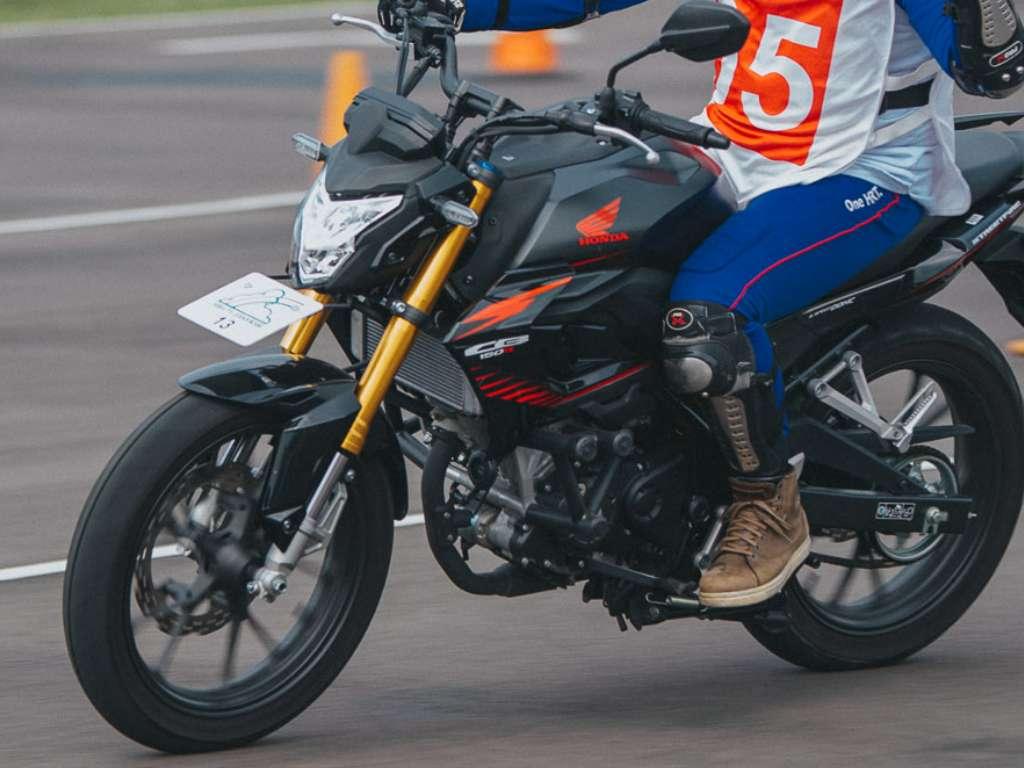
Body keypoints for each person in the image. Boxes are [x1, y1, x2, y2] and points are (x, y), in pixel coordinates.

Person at [380, 0, 1024, 606]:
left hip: (864, 171)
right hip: (732, 150)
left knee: (707, 314)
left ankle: (768, 503)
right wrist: (461, 5)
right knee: (571, 254)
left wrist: (985, 21)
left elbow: (988, 68)